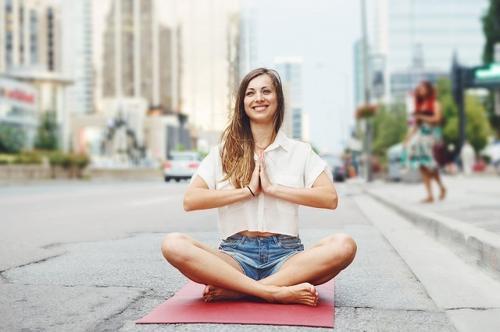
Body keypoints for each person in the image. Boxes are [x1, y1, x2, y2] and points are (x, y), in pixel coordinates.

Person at [161, 68, 357, 306]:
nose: (259, 98)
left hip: (286, 257)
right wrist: (247, 192)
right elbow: (191, 200)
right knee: (173, 244)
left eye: (266, 91)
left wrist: (274, 189)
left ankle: (243, 290)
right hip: (234, 256)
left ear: (278, 99)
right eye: (251, 93)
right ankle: (273, 292)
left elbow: (329, 198)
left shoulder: (300, 151)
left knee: (344, 245)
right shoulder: (224, 152)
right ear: (243, 103)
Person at [403, 81, 447, 203]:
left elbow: (437, 119)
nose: (420, 91)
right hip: (419, 136)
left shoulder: (435, 104)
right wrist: (407, 138)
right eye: (419, 89)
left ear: (428, 89)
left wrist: (422, 117)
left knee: (429, 164)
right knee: (422, 165)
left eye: (422, 88)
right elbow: (416, 126)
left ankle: (441, 188)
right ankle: (430, 195)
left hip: (431, 134)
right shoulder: (420, 106)